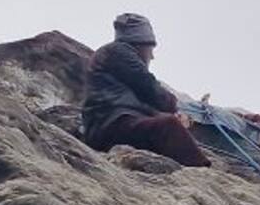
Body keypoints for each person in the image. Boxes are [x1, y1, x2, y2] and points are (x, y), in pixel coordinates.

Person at [79, 13, 210, 168]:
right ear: (139, 44)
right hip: (110, 126)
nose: (152, 56)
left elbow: (141, 101)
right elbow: (148, 86)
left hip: (108, 126)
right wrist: (174, 107)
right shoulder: (119, 52)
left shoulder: (114, 59)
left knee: (166, 123)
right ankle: (202, 171)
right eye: (150, 49)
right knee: (168, 125)